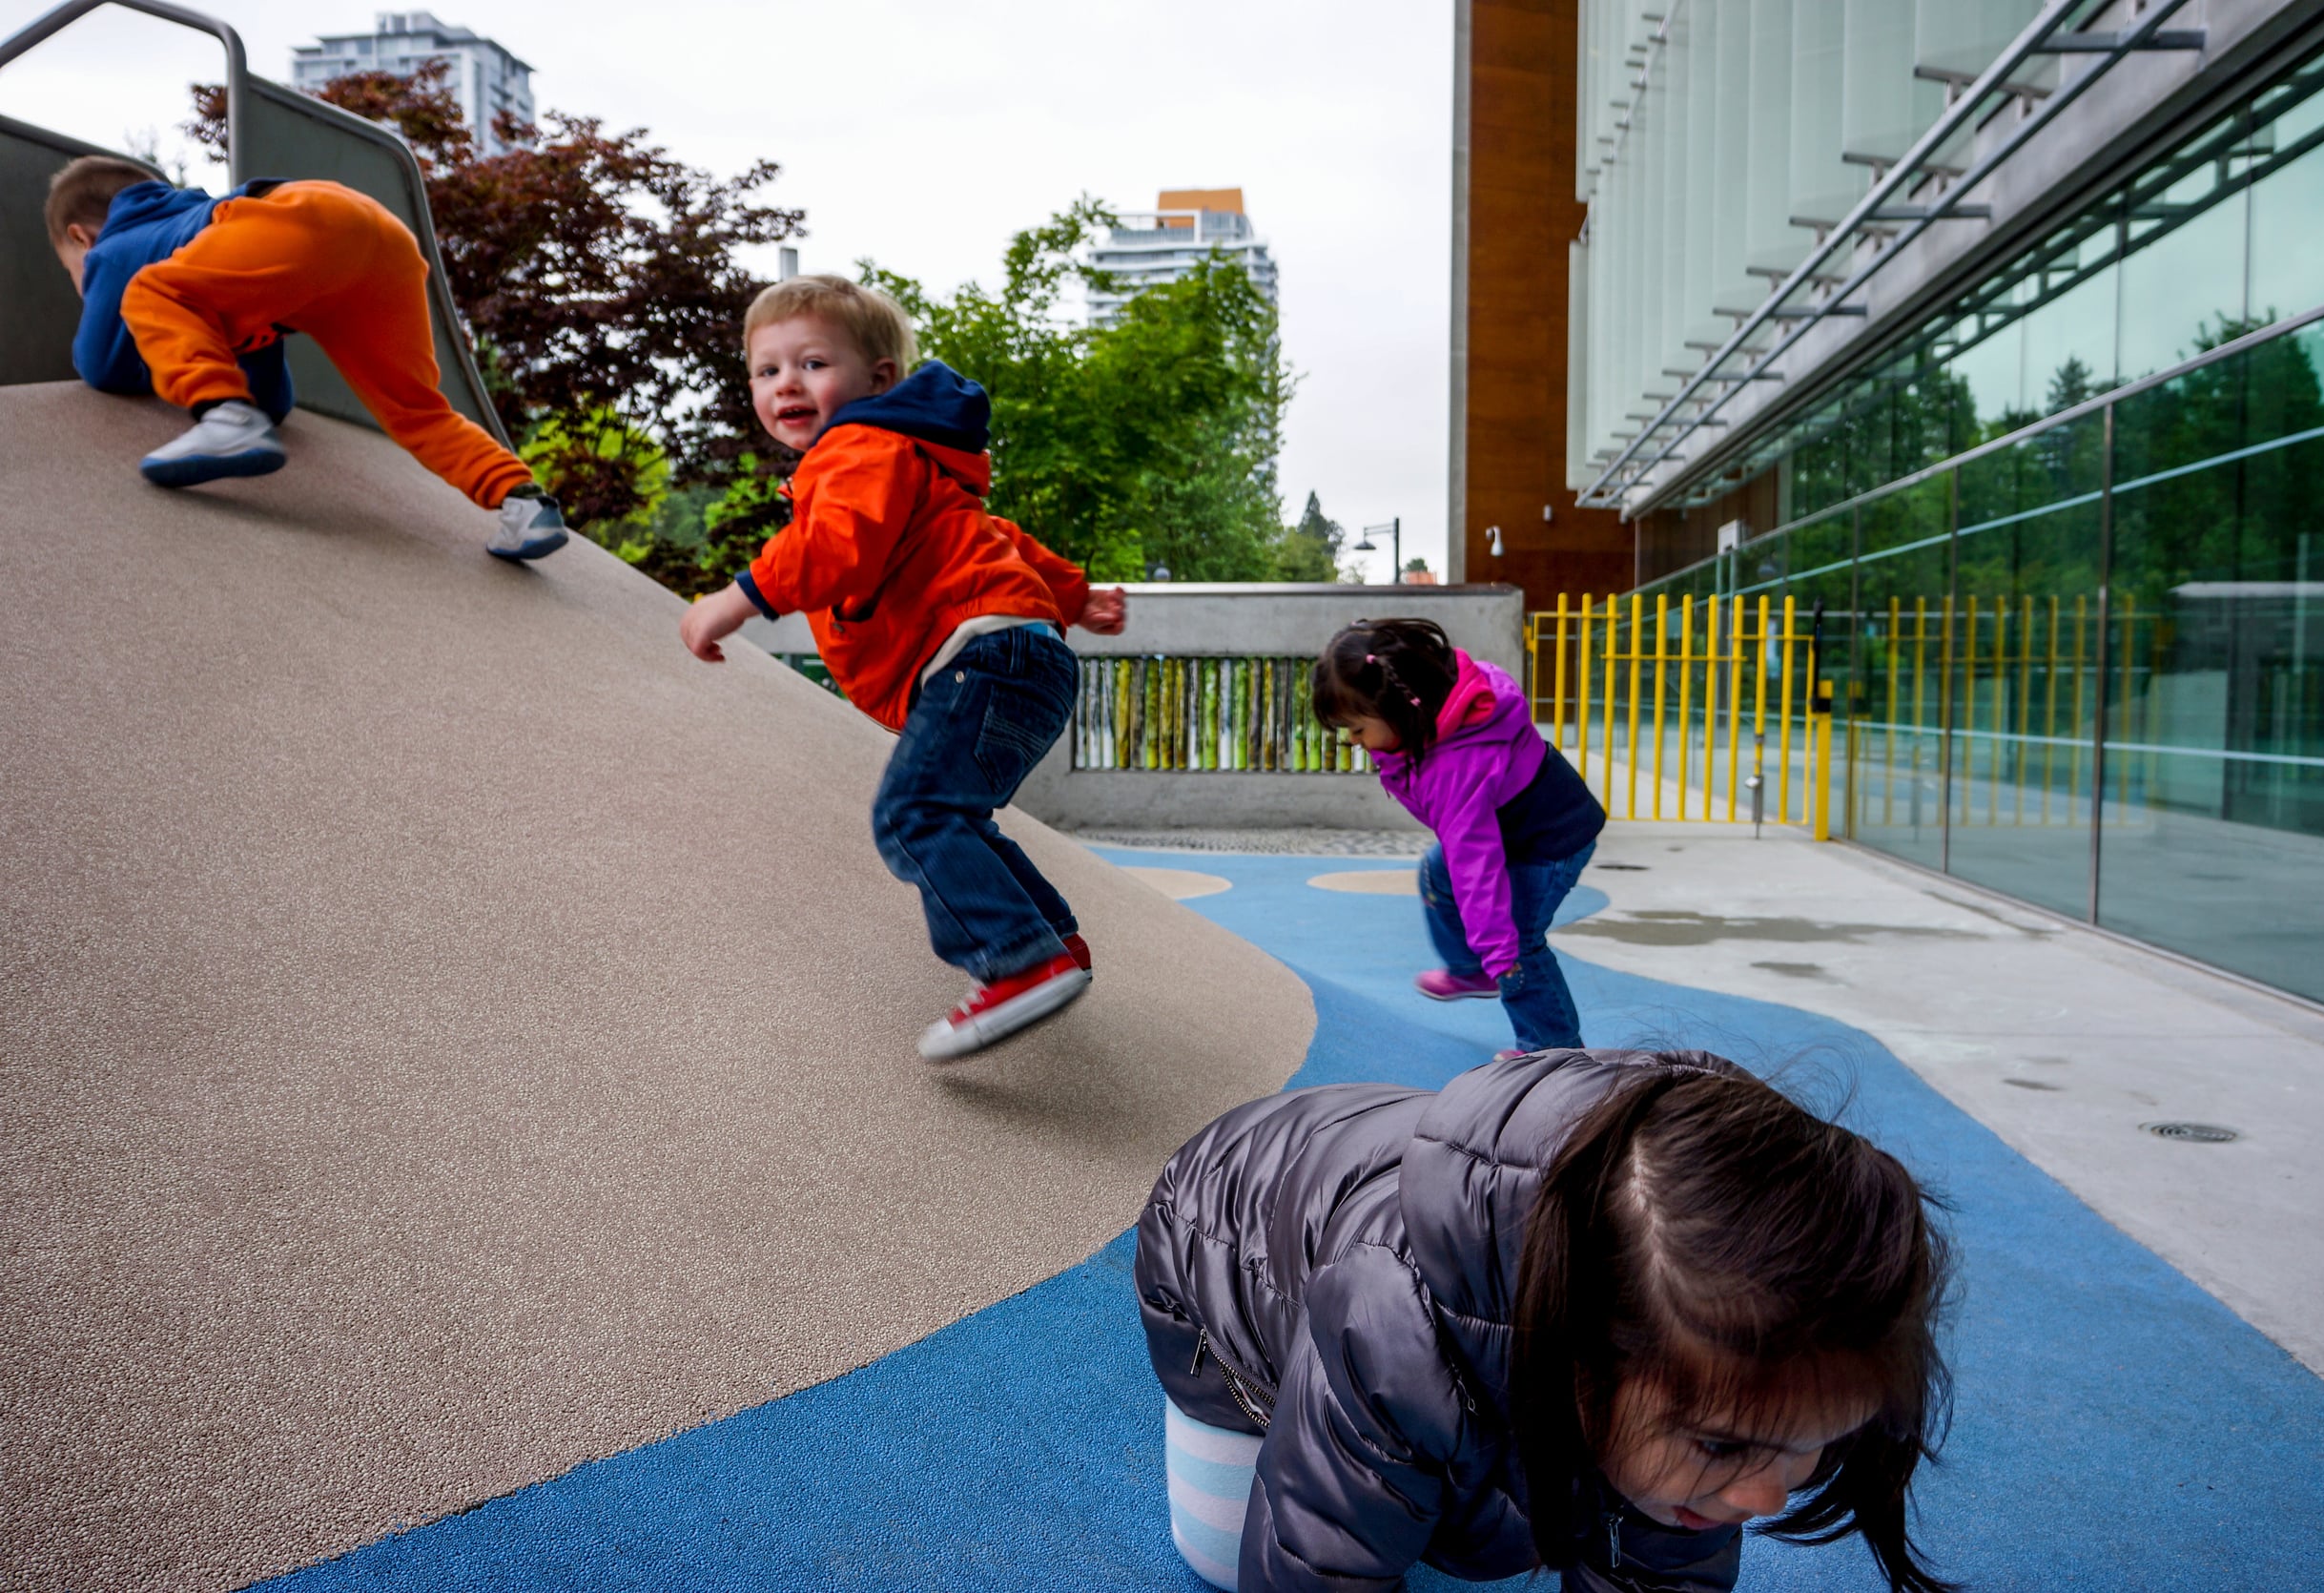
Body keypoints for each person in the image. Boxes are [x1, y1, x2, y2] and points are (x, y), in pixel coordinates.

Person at [1135, 1049, 1954, 1593]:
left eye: (1809, 1443)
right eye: (1721, 1444)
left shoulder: (1702, 1339)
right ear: (1584, 1351)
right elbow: (1316, 1561)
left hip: (1407, 1222)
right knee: (1230, 1551)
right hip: (1218, 1237)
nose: (1769, 1495)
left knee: (1584, 1496)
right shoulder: (1390, 1323)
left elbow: (1663, 1567)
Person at [677, 276, 1127, 1059]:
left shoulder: (856, 449)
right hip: (1029, 658)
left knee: (910, 816)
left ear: (879, 379)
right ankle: (1051, 939)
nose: (787, 383)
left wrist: (739, 597)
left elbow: (833, 546)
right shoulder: (920, 465)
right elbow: (1005, 541)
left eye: (813, 363)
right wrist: (1078, 596)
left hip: (978, 656)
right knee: (956, 816)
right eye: (766, 370)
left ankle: (1021, 961)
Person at [45, 156, 567, 561]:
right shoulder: (211, 251)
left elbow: (100, 366)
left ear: (80, 239)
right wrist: (244, 391)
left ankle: (221, 416)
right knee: (415, 407)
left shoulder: (114, 249)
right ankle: (523, 501)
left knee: (149, 292)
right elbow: (272, 403)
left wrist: (209, 391)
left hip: (299, 217)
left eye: (73, 274)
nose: (86, 286)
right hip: (382, 241)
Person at [1313, 618, 1605, 1059]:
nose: (1354, 741)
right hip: (1512, 826)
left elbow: (1476, 864)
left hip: (1551, 840)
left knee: (1516, 944)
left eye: (1357, 728)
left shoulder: (1454, 768)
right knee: (1436, 872)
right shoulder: (1431, 715)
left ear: (1401, 709)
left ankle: (1554, 1050)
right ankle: (1472, 970)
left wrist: (1499, 951)